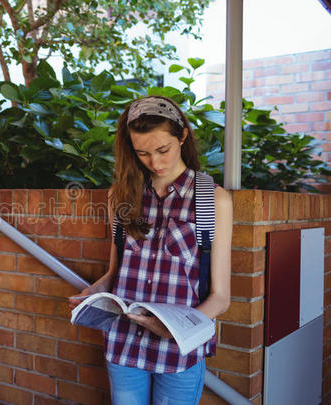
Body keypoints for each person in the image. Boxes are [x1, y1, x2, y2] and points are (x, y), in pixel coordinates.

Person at [69, 96, 232, 405]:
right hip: (124, 345)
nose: (155, 163)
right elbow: (115, 272)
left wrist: (173, 330)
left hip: (178, 354)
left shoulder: (212, 199)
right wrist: (94, 291)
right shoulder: (120, 196)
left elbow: (221, 297)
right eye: (142, 152)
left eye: (163, 150)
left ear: (182, 136)